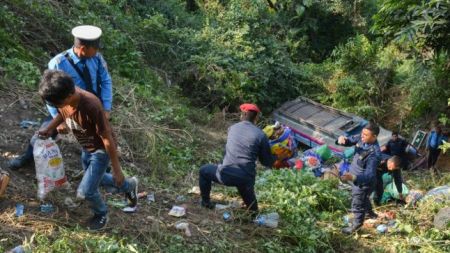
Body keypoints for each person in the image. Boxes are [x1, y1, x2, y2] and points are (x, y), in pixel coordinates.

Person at [37, 70, 137, 230]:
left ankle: (102, 214)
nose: (57, 108)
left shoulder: (91, 105)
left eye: (57, 104)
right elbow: (63, 112)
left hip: (101, 150)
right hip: (86, 147)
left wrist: (117, 169)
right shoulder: (66, 98)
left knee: (86, 191)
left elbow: (107, 138)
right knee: (99, 179)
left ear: (69, 95)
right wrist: (50, 128)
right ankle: (129, 186)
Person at [8, 25, 113, 170]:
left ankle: (101, 168)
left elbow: (106, 81)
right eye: (95, 48)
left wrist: (106, 108)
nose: (97, 51)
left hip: (89, 106)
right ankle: (26, 158)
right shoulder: (58, 63)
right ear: (83, 48)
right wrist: (58, 121)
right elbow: (50, 93)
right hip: (63, 107)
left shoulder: (97, 59)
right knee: (45, 131)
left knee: (98, 137)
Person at [198, 103, 276, 213]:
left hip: (225, 175)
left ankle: (206, 203)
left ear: (243, 115)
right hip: (245, 180)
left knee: (203, 170)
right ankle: (252, 212)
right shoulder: (261, 135)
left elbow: (228, 150)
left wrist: (222, 164)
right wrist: (276, 157)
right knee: (253, 212)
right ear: (256, 117)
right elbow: (266, 162)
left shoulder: (232, 128)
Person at [336, 122, 382, 234]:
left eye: (366, 135)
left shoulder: (374, 154)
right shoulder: (362, 138)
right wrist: (342, 140)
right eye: (362, 133)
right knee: (364, 199)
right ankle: (370, 213)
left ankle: (356, 226)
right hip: (353, 176)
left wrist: (353, 177)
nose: (362, 136)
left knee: (357, 203)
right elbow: (349, 140)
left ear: (374, 137)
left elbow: (369, 176)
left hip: (362, 183)